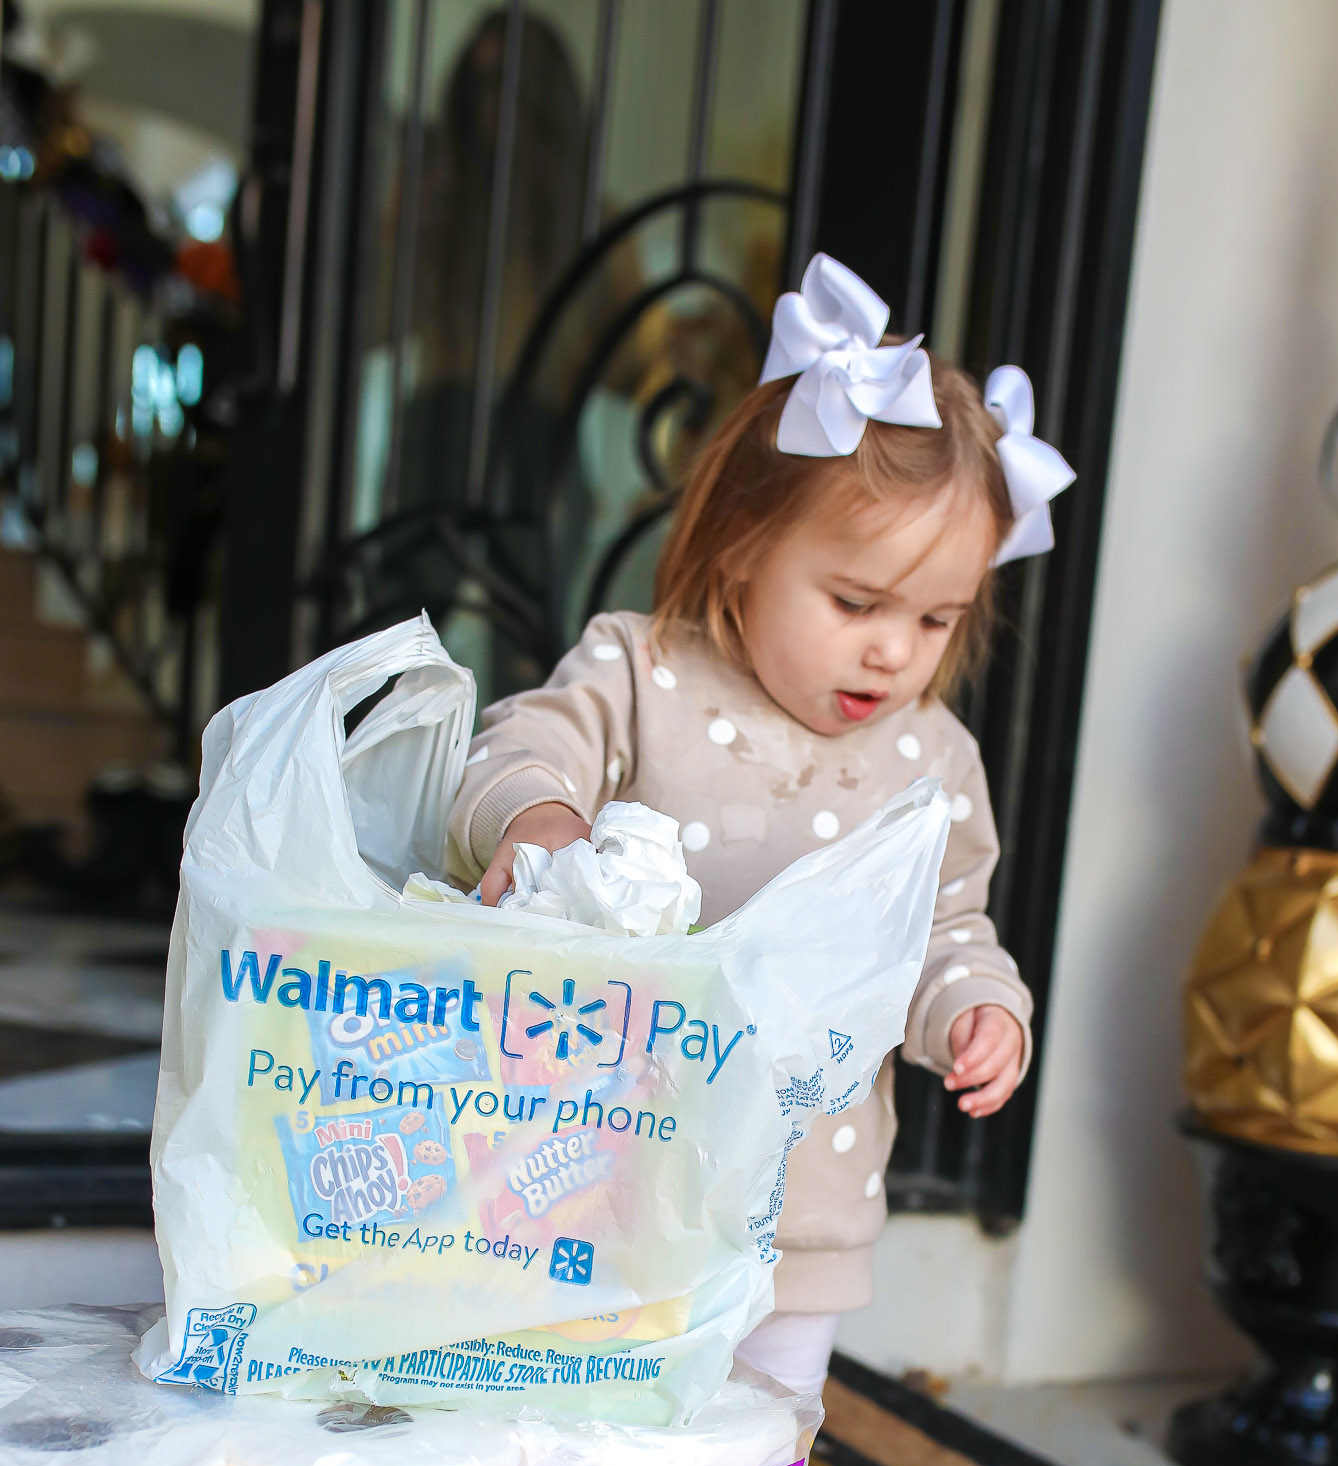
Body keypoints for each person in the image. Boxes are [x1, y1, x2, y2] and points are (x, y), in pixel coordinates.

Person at [444, 254, 1075, 1398]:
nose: (896, 650)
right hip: (595, 1175)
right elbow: (522, 746)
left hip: (804, 1211)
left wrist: (977, 1008)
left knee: (757, 1455)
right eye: (856, 602)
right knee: (577, 1432)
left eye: (938, 618)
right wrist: (538, 815)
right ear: (743, 547)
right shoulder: (643, 672)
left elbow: (944, 926)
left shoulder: (934, 760)